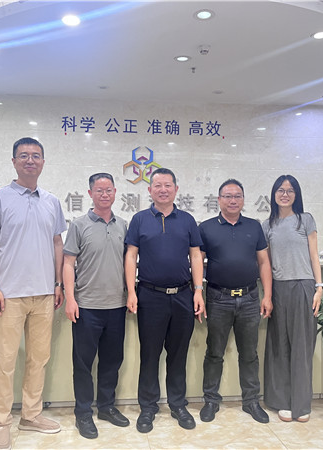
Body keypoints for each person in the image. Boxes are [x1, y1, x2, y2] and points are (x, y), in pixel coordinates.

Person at [0, 137, 67, 450]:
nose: (30, 160)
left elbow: (57, 243)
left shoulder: (51, 201)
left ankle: (31, 415)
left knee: (39, 359)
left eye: (36, 156)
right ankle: (1, 422)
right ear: (14, 161)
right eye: (24, 155)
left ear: (43, 162)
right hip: (9, 295)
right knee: (4, 362)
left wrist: (58, 284)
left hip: (44, 295)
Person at [124, 167, 206, 433]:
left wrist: (198, 291)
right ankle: (148, 407)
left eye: (167, 185)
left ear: (176, 189)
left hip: (183, 296)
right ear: (149, 190)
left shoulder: (187, 220)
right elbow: (131, 256)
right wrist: (131, 291)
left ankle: (178, 405)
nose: (163, 190)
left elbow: (196, 256)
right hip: (150, 296)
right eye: (157, 185)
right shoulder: (139, 219)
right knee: (149, 355)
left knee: (178, 354)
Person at [198, 179, 273, 424]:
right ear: (219, 199)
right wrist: (197, 292)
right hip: (218, 298)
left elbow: (264, 262)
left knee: (249, 353)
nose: (233, 200)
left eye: (237, 196)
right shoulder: (206, 228)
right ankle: (211, 400)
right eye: (228, 196)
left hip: (250, 298)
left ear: (243, 199)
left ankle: (251, 401)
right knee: (214, 353)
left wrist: (267, 296)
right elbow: (197, 261)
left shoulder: (254, 226)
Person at [63, 173, 130, 439]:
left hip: (117, 306)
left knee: (112, 361)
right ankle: (83, 413)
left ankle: (106, 407)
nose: (104, 194)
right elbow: (68, 264)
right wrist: (70, 298)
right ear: (90, 193)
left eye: (109, 190)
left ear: (115, 193)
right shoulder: (79, 225)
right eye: (99, 190)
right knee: (83, 363)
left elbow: (129, 262)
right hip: (86, 307)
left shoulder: (123, 225)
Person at [261, 174, 322, 423]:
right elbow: (265, 262)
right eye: (280, 190)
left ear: (296, 195)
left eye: (290, 190)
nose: (284, 194)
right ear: (273, 194)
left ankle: (301, 404)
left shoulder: (305, 220)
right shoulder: (267, 225)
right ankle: (282, 402)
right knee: (280, 347)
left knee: (302, 347)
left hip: (303, 286)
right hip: (279, 289)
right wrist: (268, 294)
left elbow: (314, 255)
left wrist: (319, 287)